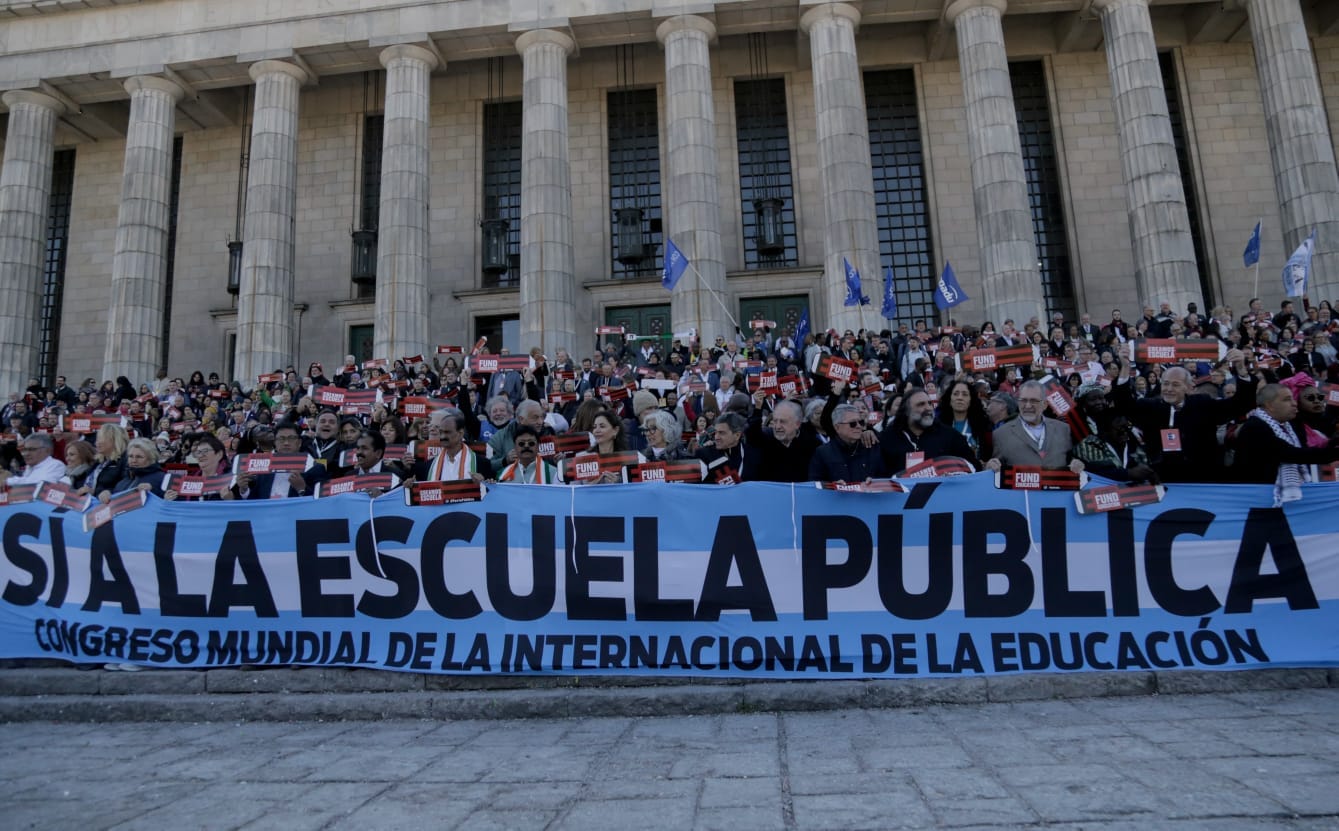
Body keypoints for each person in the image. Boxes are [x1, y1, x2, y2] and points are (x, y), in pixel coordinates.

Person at [1114, 350, 1259, 483]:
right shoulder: (1149, 406)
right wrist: (1126, 367)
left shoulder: (1203, 404)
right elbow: (1124, 406)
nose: (1169, 389)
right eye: (1166, 384)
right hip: (1163, 478)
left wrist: (1241, 368)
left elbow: (1241, 404)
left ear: (1188, 387)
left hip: (1202, 479)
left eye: (1176, 385)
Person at [1232, 384, 1339, 504]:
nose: (1294, 403)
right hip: (1258, 500)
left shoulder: (1290, 426)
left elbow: (1305, 451)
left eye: (1293, 398)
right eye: (1287, 399)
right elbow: (1292, 454)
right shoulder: (1255, 427)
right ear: (1269, 405)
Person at [986, 380, 1084, 472]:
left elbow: (1069, 459)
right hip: (1020, 490)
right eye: (1023, 400)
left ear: (1044, 404)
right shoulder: (1001, 434)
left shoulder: (1063, 429)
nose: (1028, 406)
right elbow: (995, 471)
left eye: (1034, 401)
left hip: (1056, 489)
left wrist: (1076, 463)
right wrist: (990, 466)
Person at [880, 389, 979, 473]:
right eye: (921, 404)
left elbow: (973, 467)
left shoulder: (950, 436)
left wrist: (988, 466)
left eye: (929, 403)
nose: (928, 408)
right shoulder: (888, 438)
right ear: (906, 411)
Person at [236, 421, 328, 499]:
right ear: (275, 443)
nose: (286, 443)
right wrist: (244, 489)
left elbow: (322, 503)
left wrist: (302, 489)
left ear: (299, 443)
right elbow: (256, 501)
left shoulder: (314, 467)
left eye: (291, 438)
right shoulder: (264, 467)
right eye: (281, 439)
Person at [809, 403, 888, 482]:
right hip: (838, 494)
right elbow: (815, 483)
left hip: (868, 494)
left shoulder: (871, 446)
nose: (859, 426)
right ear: (837, 427)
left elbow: (885, 477)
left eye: (861, 422)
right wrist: (832, 487)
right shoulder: (823, 452)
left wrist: (876, 481)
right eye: (852, 424)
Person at [747, 397, 820, 482]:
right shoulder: (766, 441)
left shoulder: (812, 445)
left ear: (797, 424)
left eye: (783, 422)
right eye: (775, 421)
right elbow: (752, 434)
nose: (777, 426)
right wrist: (758, 408)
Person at [425, 409, 493, 482]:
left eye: (447, 432)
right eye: (441, 432)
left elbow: (490, 490)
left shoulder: (482, 464)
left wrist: (483, 483)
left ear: (460, 433)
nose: (443, 436)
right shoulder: (429, 465)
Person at [165, 433, 235, 501]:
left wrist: (230, 500)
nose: (201, 455)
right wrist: (170, 499)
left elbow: (241, 506)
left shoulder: (231, 478)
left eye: (205, 451)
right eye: (198, 452)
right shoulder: (190, 478)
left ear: (219, 454)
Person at [695, 411, 758, 483]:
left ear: (737, 435)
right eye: (715, 432)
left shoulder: (753, 456)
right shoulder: (704, 454)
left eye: (721, 433)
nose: (716, 437)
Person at [938, 379, 992, 461]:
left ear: (971, 400)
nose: (960, 398)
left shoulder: (983, 424)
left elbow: (988, 454)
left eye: (965, 394)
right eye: (956, 394)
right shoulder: (938, 426)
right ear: (950, 399)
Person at [102, 438, 169, 500]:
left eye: (139, 457)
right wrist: (108, 493)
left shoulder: (163, 479)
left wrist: (153, 490)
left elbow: (173, 501)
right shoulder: (125, 479)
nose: (134, 460)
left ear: (151, 459)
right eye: (131, 456)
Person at [0, 433, 66, 486]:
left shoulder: (56, 465)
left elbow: (41, 485)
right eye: (25, 450)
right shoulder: (30, 467)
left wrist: (7, 481)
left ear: (47, 450)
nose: (26, 454)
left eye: (32, 449)